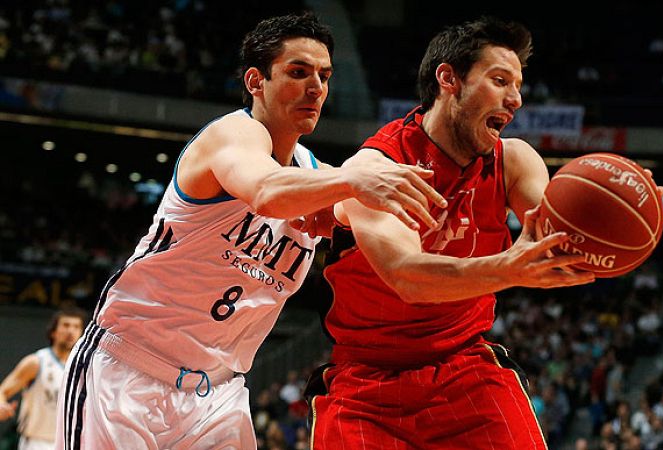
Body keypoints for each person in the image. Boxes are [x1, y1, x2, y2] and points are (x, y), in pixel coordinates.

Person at [55, 11, 446, 450]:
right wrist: (355, 179)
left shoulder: (318, 176)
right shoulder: (232, 135)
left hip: (217, 393)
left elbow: (382, 230)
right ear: (256, 81)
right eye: (298, 72)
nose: (316, 87)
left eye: (324, 76)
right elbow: (265, 190)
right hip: (129, 373)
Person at [305, 17, 601, 449]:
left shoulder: (514, 162)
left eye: (518, 86)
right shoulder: (375, 169)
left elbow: (562, 239)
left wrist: (619, 212)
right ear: (449, 79)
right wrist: (508, 269)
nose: (516, 99)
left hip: (466, 368)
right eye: (500, 81)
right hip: (367, 382)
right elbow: (407, 277)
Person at [0, 307, 86, 450]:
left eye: (76, 327)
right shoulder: (36, 362)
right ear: (53, 332)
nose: (71, 331)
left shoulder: (83, 368)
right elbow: (3, 391)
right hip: (37, 443)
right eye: (66, 325)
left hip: (69, 443)